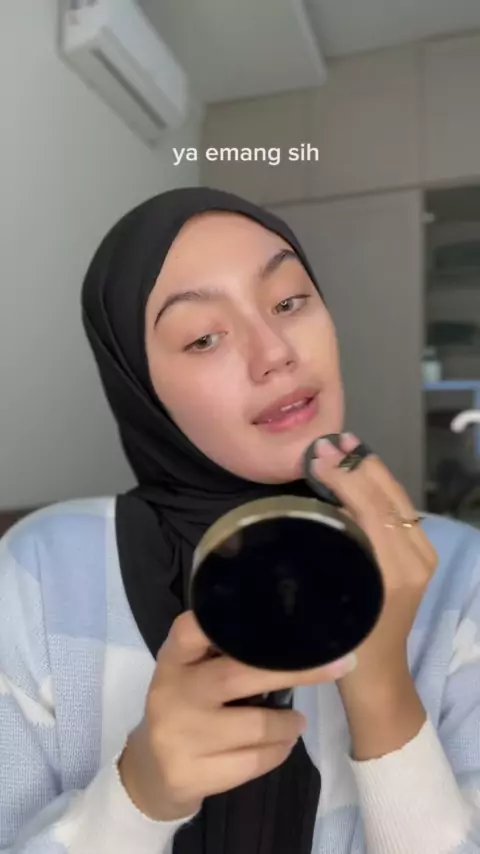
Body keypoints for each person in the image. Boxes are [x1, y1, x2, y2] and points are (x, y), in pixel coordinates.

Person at [1, 187, 479, 854]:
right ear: (138, 384)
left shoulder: (458, 570)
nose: (275, 352)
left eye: (289, 302)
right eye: (203, 337)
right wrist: (137, 798)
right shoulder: (42, 571)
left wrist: (380, 684)